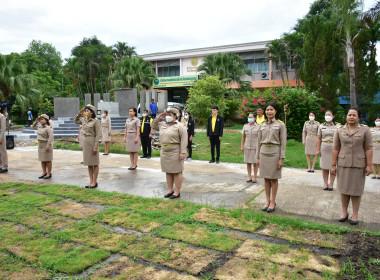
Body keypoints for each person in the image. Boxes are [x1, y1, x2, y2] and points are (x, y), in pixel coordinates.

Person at [331, 108, 373, 225]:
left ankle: (355, 214)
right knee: (343, 190)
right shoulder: (339, 130)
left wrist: (369, 165)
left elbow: (369, 148)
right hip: (343, 164)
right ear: (346, 116)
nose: (351, 117)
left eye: (354, 115)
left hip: (359, 164)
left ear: (358, 118)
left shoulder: (365, 130)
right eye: (349, 115)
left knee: (356, 191)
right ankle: (344, 212)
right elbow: (335, 148)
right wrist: (333, 165)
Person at [256, 103, 287, 212]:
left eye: (271, 110)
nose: (269, 112)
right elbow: (258, 142)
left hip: (275, 153)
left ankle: (273, 201)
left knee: (273, 178)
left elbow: (283, 143)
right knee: (266, 178)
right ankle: (267, 201)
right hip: (263, 152)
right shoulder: (262, 125)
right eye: (267, 110)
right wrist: (257, 157)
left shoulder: (280, 125)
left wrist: (281, 158)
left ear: (275, 111)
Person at [152, 108, 187, 199]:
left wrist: (183, 152)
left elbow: (184, 140)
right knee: (168, 171)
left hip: (175, 150)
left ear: (175, 116)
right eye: (167, 115)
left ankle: (177, 192)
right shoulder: (163, 124)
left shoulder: (180, 126)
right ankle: (170, 190)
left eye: (170, 115)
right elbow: (153, 125)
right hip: (164, 150)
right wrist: (159, 117)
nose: (168, 116)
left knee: (176, 172)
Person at [74, 104, 101, 188]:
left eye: (87, 111)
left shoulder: (95, 121)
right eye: (85, 111)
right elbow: (75, 121)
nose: (85, 112)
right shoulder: (84, 120)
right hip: (85, 142)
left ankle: (95, 181)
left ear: (92, 112)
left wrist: (95, 146)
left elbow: (98, 134)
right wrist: (79, 114)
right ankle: (91, 181)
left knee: (95, 163)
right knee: (89, 163)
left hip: (92, 141)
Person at [317, 110, 340, 191]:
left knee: (333, 166)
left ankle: (331, 184)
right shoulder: (321, 126)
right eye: (326, 114)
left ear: (333, 116)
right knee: (324, 167)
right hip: (324, 147)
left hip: (334, 148)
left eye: (329, 114)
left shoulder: (338, 126)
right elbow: (319, 138)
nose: (327, 116)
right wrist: (318, 150)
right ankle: (325, 183)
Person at [32, 114, 54, 179]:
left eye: (42, 119)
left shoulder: (48, 128)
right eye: (40, 119)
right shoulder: (39, 127)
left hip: (46, 144)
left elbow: (51, 137)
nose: (41, 121)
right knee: (42, 160)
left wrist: (48, 146)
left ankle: (49, 173)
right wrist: (36, 122)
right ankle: (44, 172)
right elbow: (33, 127)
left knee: (48, 160)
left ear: (46, 120)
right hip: (40, 145)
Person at [241, 113, 260, 183]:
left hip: (255, 147)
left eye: (251, 117)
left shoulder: (258, 126)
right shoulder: (245, 126)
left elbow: (260, 138)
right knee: (248, 162)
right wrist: (242, 146)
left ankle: (255, 177)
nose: (250, 119)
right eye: (249, 117)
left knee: (255, 163)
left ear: (255, 118)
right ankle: (249, 177)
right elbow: (243, 136)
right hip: (247, 147)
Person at [0, 105, 8, 173]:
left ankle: (5, 166)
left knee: (3, 152)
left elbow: (3, 128)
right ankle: (0, 166)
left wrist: (1, 138)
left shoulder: (2, 117)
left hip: (0, 136)